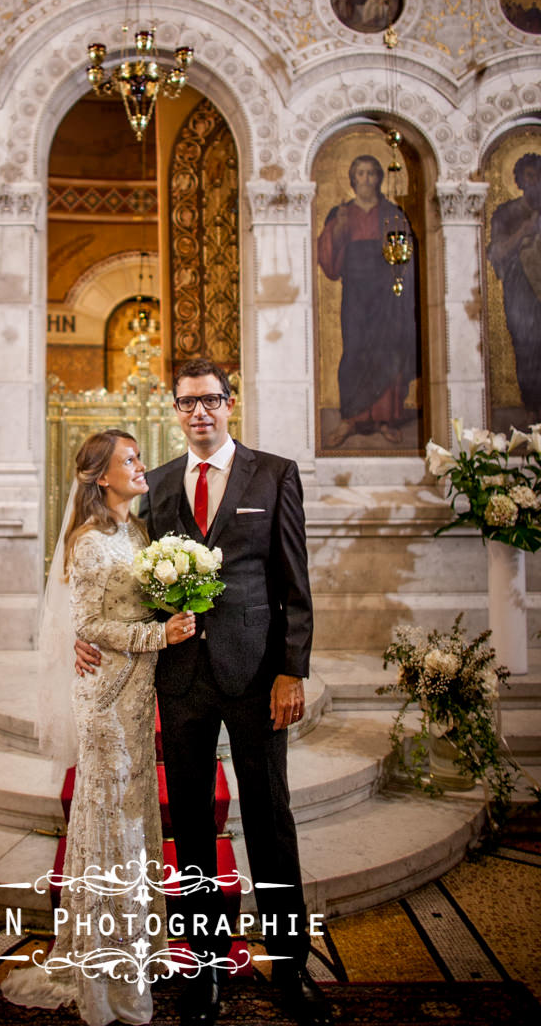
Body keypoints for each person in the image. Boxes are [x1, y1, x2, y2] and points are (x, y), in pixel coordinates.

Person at [76, 360, 330, 1026]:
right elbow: (122, 578)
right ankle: (206, 966)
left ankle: (290, 963)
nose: (200, 413)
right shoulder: (154, 485)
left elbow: (292, 582)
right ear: (174, 411)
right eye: (188, 403)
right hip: (181, 679)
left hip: (255, 679)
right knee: (190, 829)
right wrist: (88, 632)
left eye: (211, 400)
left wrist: (291, 669)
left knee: (271, 822)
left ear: (230, 403)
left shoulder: (273, 475)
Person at [4, 429, 195, 1026]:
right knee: (110, 820)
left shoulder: (137, 532)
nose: (140, 467)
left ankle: (134, 949)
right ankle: (105, 973)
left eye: (138, 458)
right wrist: (156, 636)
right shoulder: (87, 542)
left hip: (138, 696)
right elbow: (87, 623)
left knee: (134, 819)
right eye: (129, 461)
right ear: (100, 478)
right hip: (106, 698)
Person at [317, 154, 418, 448]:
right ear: (352, 179)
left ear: (379, 178)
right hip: (356, 293)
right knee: (355, 349)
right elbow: (328, 256)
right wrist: (338, 228)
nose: (366, 179)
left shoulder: (392, 212)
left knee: (387, 349)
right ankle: (351, 417)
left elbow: (405, 254)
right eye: (360, 174)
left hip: (386, 291)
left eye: (371, 173)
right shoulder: (342, 213)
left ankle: (386, 419)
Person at [487, 151, 541, 420]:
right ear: (519, 181)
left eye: (540, 177)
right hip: (521, 288)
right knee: (528, 345)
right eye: (530, 177)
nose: (536, 183)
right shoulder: (507, 212)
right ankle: (532, 408)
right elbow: (496, 252)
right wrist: (523, 232)